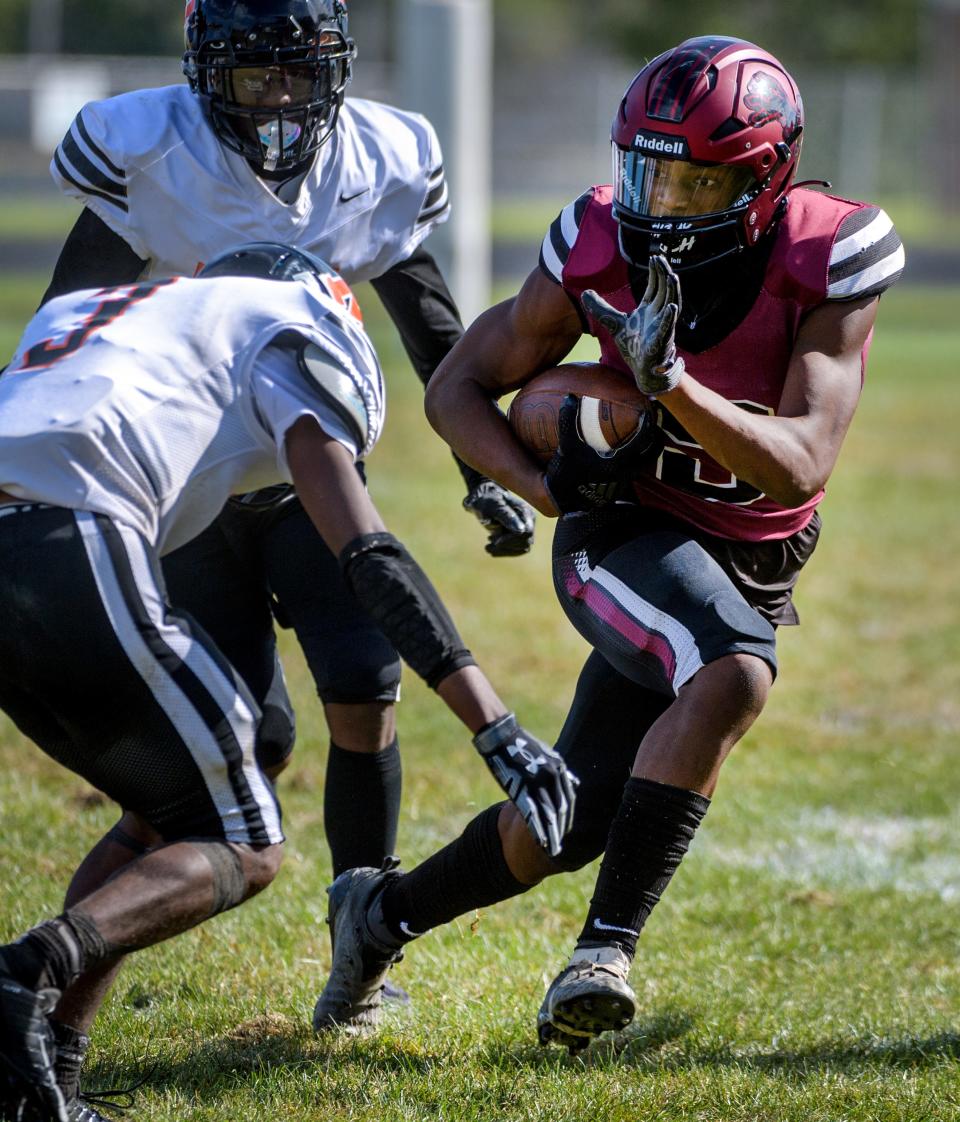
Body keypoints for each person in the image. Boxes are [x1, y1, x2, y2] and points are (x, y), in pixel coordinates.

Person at [310, 36, 905, 1052]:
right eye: (646, 169)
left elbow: (801, 464)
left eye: (690, 180)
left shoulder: (829, 253)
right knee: (732, 671)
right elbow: (458, 386)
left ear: (763, 179)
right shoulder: (597, 238)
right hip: (621, 532)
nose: (659, 202)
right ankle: (603, 954)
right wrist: (543, 485)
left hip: (748, 556)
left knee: (566, 825)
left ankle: (380, 918)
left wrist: (672, 385)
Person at [40, 0, 534, 1087]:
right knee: (217, 764)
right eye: (253, 75)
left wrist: (479, 471)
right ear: (203, 71)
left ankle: (363, 941)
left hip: (309, 481)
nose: (276, 99)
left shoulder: (379, 160)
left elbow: (432, 331)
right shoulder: (150, 151)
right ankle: (57, 1013)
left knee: (364, 690)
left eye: (295, 75)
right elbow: (72, 316)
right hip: (197, 497)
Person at [0, 244, 575, 1121]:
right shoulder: (289, 331)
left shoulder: (117, 316)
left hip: (36, 531)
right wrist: (494, 724)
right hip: (68, 530)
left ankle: (48, 1080)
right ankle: (29, 974)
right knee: (247, 839)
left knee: (165, 807)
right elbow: (368, 557)